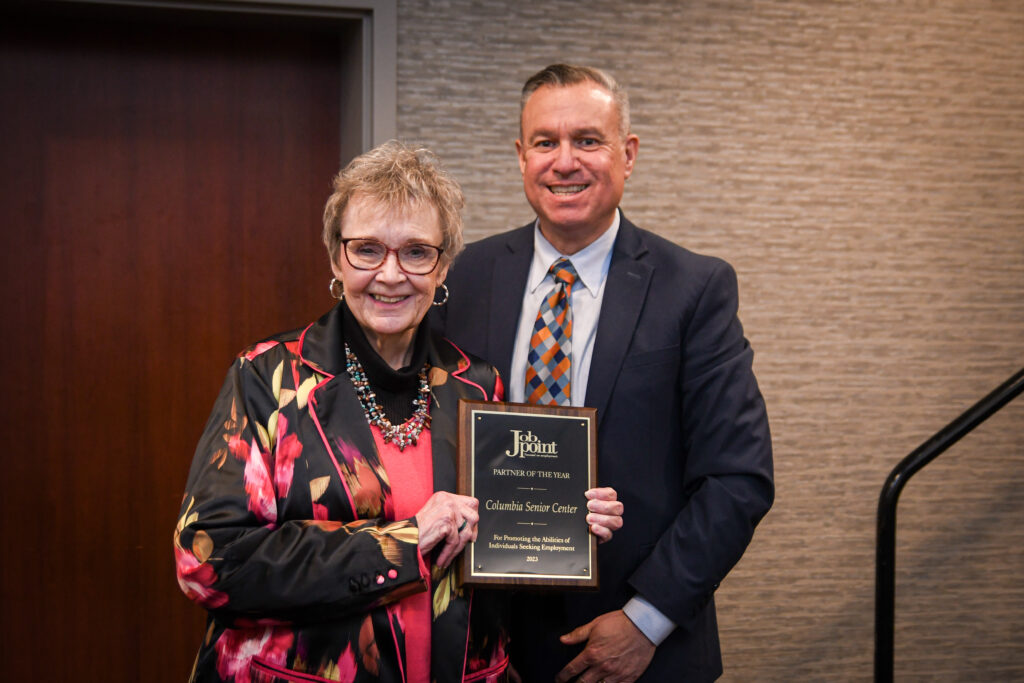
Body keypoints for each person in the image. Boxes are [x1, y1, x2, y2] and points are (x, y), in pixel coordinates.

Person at [174, 140, 624, 683]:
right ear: (335, 256)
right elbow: (210, 563)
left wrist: (566, 525)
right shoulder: (268, 378)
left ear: (442, 267)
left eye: (415, 252)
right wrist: (406, 540)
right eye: (367, 249)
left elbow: (494, 556)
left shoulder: (477, 385)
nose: (391, 274)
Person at [435, 64, 774, 682]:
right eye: (545, 142)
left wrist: (646, 619)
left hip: (639, 647)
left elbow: (737, 478)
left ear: (628, 153)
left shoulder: (695, 289)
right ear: (521, 157)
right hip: (481, 640)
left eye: (588, 140)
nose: (565, 162)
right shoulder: (463, 278)